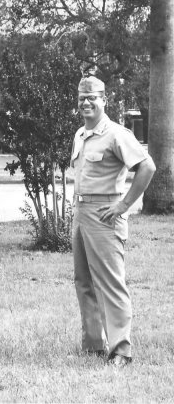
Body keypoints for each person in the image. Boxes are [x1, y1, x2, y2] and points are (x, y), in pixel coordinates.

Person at [71, 76, 155, 366]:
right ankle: (94, 344)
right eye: (82, 97)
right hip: (81, 214)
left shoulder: (117, 134)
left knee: (110, 283)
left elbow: (147, 167)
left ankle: (121, 349)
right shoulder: (81, 134)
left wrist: (124, 205)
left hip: (105, 215)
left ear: (104, 100)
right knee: (84, 281)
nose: (86, 102)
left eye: (92, 97)